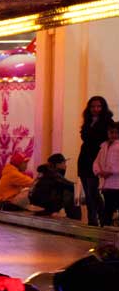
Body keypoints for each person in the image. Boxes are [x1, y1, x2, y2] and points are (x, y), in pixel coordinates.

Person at [81, 97, 114, 226]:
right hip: (84, 158)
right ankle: (92, 220)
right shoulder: (88, 121)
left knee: (93, 192)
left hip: (97, 158)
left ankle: (103, 219)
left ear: (103, 107)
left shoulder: (107, 122)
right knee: (88, 193)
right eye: (93, 106)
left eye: (99, 106)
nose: (96, 109)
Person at [29, 153, 80, 219]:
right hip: (46, 203)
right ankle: (75, 219)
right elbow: (70, 185)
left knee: (69, 190)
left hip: (38, 202)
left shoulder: (45, 172)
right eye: (64, 163)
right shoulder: (53, 174)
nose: (65, 165)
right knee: (72, 193)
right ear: (58, 164)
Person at [93, 122, 119, 226]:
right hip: (106, 184)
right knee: (108, 208)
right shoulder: (103, 147)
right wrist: (99, 171)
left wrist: (110, 171)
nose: (114, 135)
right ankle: (106, 229)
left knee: (111, 208)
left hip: (117, 183)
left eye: (117, 133)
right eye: (111, 132)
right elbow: (96, 162)